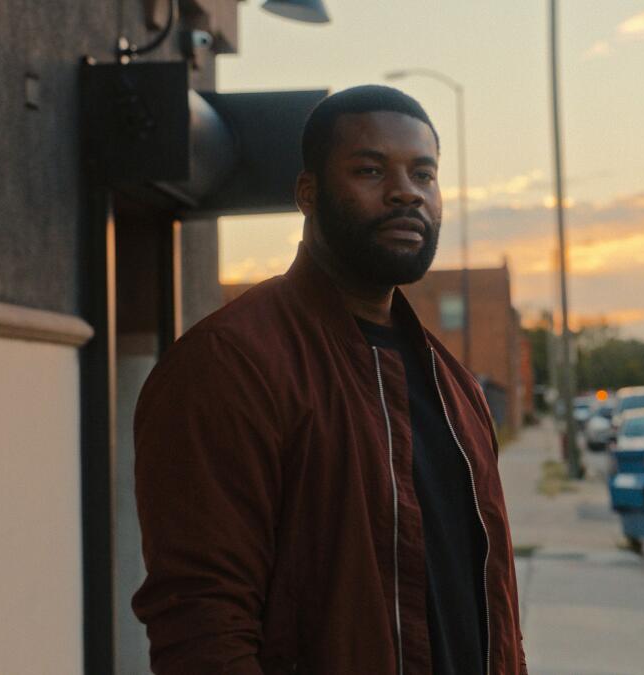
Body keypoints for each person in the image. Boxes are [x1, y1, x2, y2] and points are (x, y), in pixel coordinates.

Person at [132, 85, 527, 675]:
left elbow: (492, 606)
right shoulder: (229, 364)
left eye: (424, 174)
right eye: (370, 170)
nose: (405, 192)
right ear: (307, 193)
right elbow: (201, 623)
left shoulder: (457, 390)